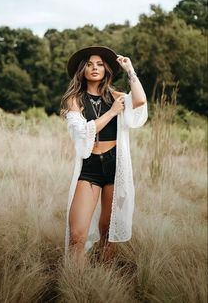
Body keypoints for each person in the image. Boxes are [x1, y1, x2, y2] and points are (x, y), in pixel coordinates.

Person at [60, 46, 148, 268]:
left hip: (114, 166)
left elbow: (139, 102)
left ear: (107, 69)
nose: (95, 68)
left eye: (99, 64)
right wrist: (111, 113)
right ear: (82, 70)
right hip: (89, 167)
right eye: (89, 64)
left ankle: (103, 279)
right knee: (77, 234)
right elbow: (81, 133)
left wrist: (130, 70)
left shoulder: (116, 96)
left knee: (108, 231)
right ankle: (76, 286)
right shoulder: (75, 100)